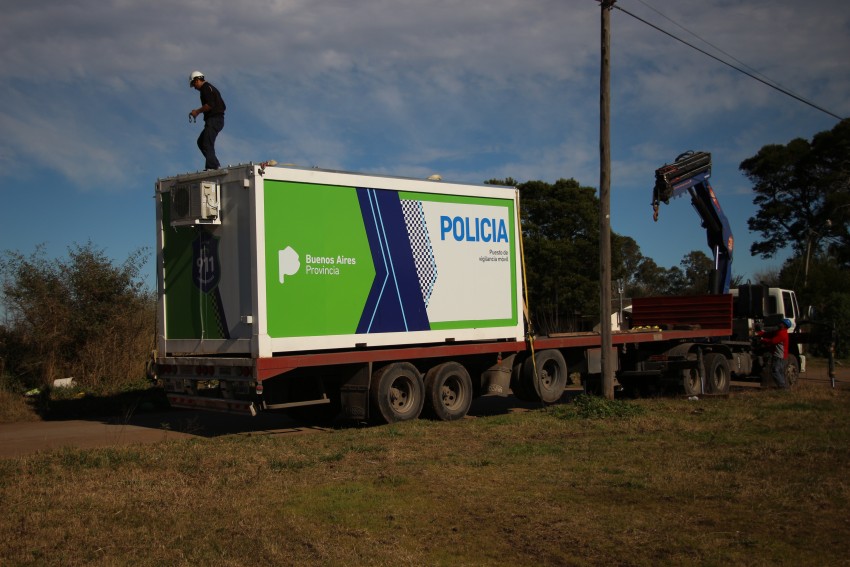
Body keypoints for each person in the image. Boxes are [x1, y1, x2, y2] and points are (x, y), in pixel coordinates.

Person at [188, 71, 226, 170]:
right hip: (216, 119)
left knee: (206, 142)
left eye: (193, 84)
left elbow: (210, 105)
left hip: (214, 119)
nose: (194, 87)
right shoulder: (210, 88)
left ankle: (212, 167)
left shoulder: (205, 88)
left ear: (197, 80)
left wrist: (197, 111)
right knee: (201, 141)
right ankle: (214, 164)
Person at [760, 318, 792, 389]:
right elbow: (770, 334)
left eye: (781, 323)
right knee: (779, 371)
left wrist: (762, 340)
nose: (779, 324)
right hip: (779, 355)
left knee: (775, 371)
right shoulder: (779, 331)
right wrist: (760, 333)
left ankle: (782, 387)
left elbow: (773, 341)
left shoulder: (782, 334)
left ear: (784, 326)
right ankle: (783, 386)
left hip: (780, 355)